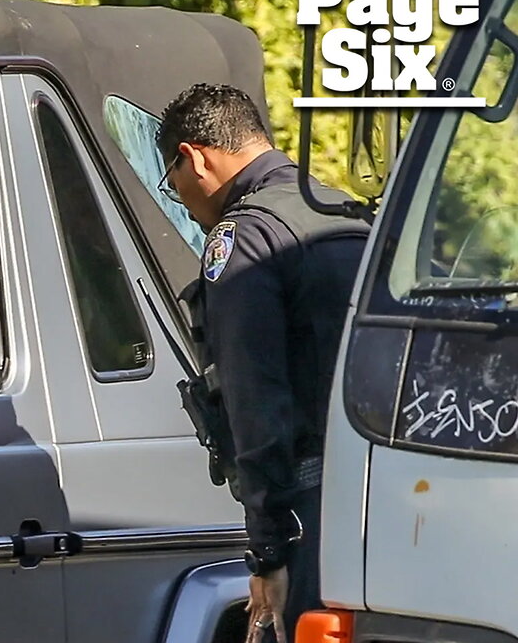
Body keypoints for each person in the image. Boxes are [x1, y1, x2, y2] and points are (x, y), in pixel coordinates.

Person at [154, 83, 369, 643]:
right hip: (381, 487)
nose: (183, 200)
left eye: (173, 184)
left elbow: (255, 402)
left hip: (311, 505)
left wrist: (267, 550)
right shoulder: (345, 213)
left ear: (194, 156)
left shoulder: (243, 238)